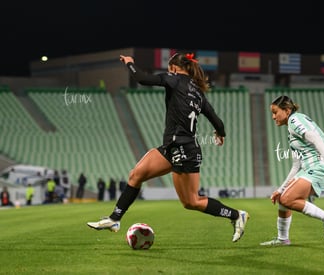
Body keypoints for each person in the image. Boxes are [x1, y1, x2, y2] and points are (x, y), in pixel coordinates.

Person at [87, 52, 249, 242]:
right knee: (136, 174)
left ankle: (237, 215)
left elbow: (142, 79)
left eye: (168, 68)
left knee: (191, 202)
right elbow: (217, 120)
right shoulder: (198, 91)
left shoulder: (175, 79)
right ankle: (114, 219)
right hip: (172, 146)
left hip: (184, 148)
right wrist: (220, 133)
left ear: (173, 68)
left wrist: (130, 63)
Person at [260, 95, 324, 246]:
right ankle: (283, 239)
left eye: (275, 112)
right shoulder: (292, 130)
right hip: (309, 168)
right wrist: (280, 189)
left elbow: (316, 138)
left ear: (287, 110)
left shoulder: (295, 121)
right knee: (283, 197)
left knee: (287, 199)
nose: (273, 116)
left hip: (319, 167)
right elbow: (296, 165)